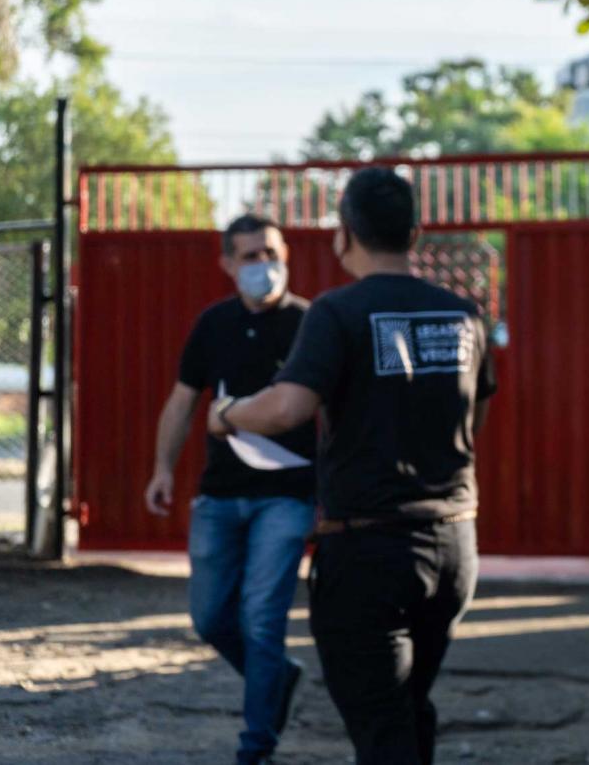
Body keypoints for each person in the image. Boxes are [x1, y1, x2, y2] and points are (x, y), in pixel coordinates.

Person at [205, 167, 497, 765]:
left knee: (383, 726)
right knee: (407, 707)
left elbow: (288, 406)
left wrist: (228, 413)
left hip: (370, 553)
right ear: (414, 232)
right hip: (452, 547)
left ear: (345, 234)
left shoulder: (337, 312)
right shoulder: (462, 315)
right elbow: (475, 412)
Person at [143, 213, 314, 765]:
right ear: (227, 265)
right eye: (250, 257)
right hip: (219, 495)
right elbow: (181, 400)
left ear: (286, 253)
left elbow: (335, 415)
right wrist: (162, 469)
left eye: (271, 253)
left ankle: (256, 746)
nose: (264, 266)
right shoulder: (213, 324)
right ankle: (278, 679)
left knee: (262, 620)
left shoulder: (313, 325)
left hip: (288, 496)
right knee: (211, 619)